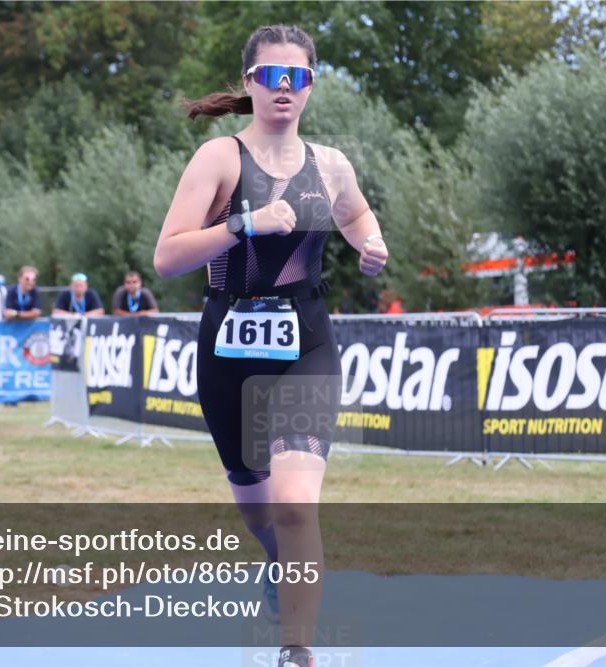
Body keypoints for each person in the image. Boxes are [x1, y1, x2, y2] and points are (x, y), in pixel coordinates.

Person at [154, 25, 387, 667]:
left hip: (305, 345)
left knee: (294, 503)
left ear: (310, 85)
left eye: (297, 77)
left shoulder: (331, 164)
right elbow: (167, 257)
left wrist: (371, 244)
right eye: (272, 77)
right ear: (251, 83)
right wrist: (243, 225)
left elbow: (355, 213)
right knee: (258, 508)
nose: (284, 88)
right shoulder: (219, 159)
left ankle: (296, 649)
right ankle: (279, 561)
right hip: (227, 350)